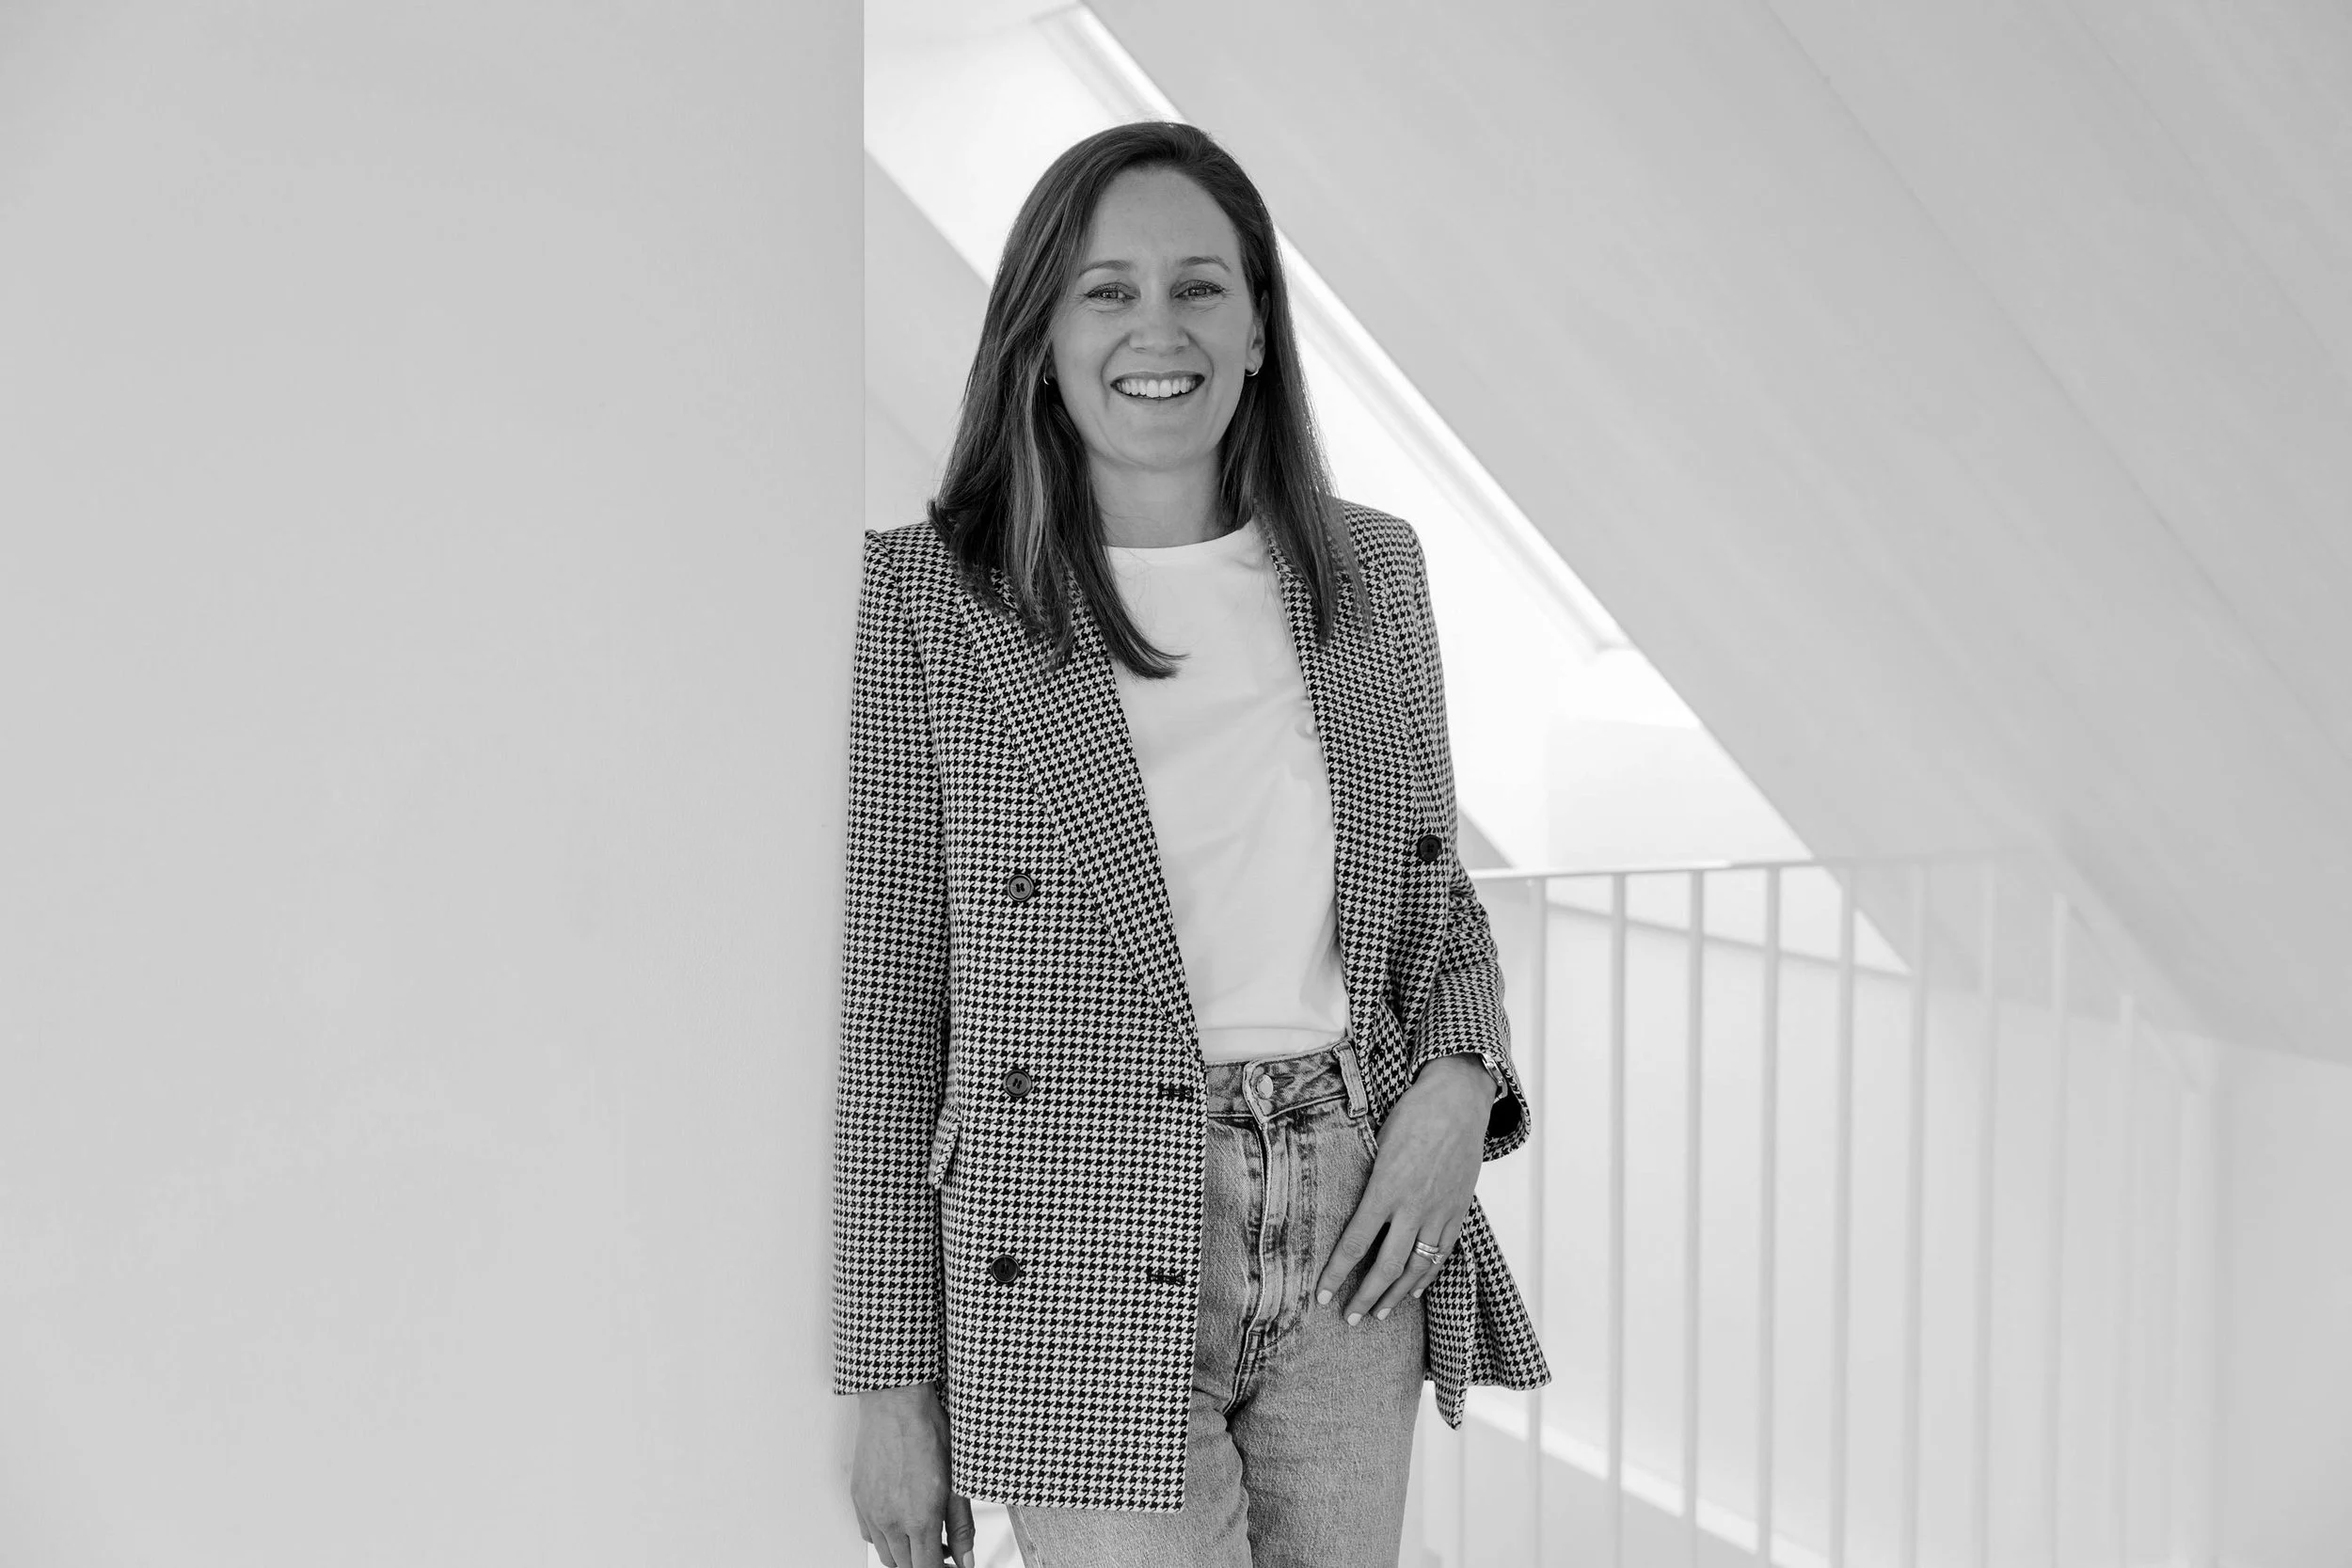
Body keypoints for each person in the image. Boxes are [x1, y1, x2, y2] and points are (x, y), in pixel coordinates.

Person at [834, 120, 1548, 1568]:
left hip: (1356, 1216)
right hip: (1077, 1213)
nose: (1156, 329)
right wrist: (890, 1381)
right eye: (1106, 291)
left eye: (1199, 286)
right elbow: (895, 1004)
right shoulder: (933, 597)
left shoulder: (1371, 573)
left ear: (1261, 328)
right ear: (1038, 331)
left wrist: (1461, 1091)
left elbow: (1436, 901)